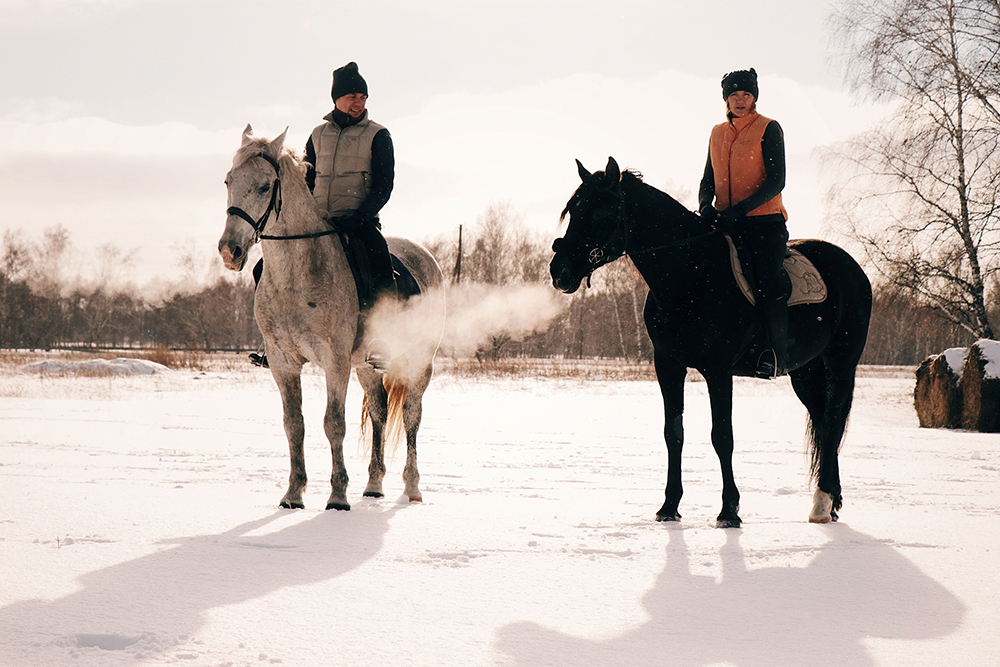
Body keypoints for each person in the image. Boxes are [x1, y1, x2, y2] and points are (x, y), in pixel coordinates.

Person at [250, 61, 396, 370]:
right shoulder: (318, 135)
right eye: (352, 96)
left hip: (360, 222)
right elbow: (306, 182)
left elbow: (384, 186)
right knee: (264, 266)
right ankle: (273, 341)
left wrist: (360, 217)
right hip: (318, 224)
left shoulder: (378, 135)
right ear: (337, 99)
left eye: (363, 97)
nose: (359, 102)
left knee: (379, 259)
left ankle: (380, 338)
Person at [698, 67, 791, 379]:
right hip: (725, 223)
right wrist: (704, 206)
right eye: (734, 94)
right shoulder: (716, 133)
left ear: (754, 98)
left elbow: (777, 180)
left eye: (746, 94)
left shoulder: (768, 128)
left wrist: (741, 210)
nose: (740, 100)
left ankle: (776, 354)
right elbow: (707, 179)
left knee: (767, 280)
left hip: (765, 223)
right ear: (726, 98)